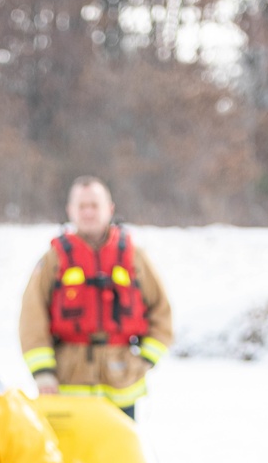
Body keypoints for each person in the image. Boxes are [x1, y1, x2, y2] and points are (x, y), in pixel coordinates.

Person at [19, 177, 173, 418]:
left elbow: (162, 313)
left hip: (121, 384)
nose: (88, 212)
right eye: (82, 206)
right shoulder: (53, 260)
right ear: (70, 210)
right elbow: (32, 319)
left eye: (94, 205)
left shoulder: (134, 257)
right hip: (67, 384)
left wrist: (144, 360)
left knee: (120, 455)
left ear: (109, 209)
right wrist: (43, 373)